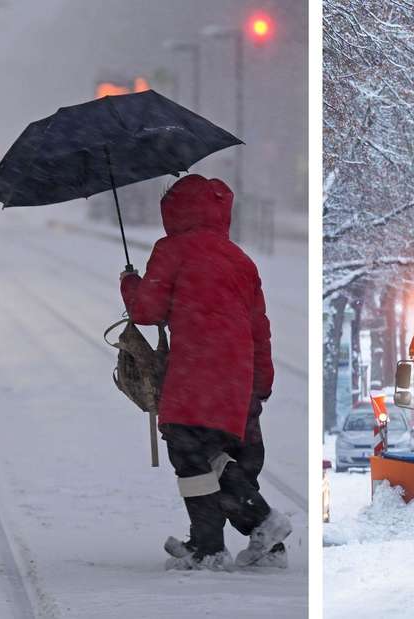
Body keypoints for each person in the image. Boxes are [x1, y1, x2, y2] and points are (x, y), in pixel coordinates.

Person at [120, 174, 291, 570]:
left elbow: (146, 310)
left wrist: (130, 283)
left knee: (190, 453)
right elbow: (259, 328)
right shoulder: (240, 260)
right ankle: (260, 546)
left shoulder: (173, 249)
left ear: (174, 211)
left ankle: (222, 543)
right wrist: (260, 383)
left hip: (195, 372)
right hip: (238, 380)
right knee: (219, 458)